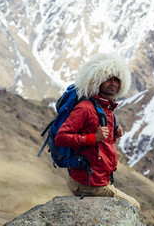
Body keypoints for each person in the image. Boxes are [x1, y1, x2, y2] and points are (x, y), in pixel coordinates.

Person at [55, 53, 140, 210]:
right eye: (108, 78)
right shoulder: (86, 108)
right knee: (134, 205)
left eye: (116, 79)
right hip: (87, 183)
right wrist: (93, 137)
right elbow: (61, 138)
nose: (113, 83)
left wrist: (112, 137)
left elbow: (99, 145)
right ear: (97, 80)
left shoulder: (105, 108)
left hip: (97, 180)